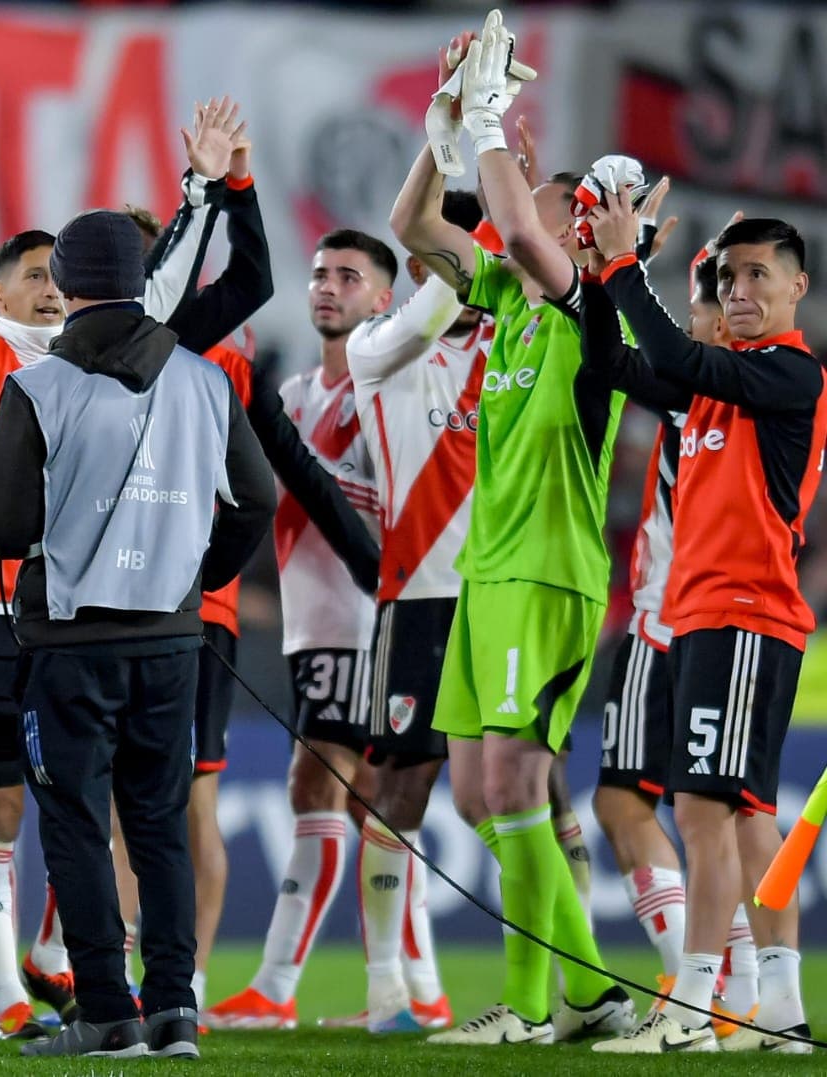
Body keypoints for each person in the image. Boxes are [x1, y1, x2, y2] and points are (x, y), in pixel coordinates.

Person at [0, 90, 231, 1037]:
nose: (49, 290)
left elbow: (156, 282)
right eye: (31, 275)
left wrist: (201, 191)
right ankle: (12, 993)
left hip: (72, 622)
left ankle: (71, 974)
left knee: (94, 814)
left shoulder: (112, 363)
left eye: (59, 276)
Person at [0, 208, 276, 1058]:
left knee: (78, 826)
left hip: (71, 643)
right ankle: (175, 1008)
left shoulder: (38, 384)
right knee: (158, 825)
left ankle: (108, 1012)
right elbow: (257, 497)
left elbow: (6, 529)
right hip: (172, 639)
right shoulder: (204, 379)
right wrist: (199, 576)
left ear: (67, 282)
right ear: (141, 279)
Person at [391, 16, 634, 1046]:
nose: (527, 220)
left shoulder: (591, 314)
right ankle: (581, 994)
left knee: (509, 786)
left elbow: (523, 233)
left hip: (547, 575)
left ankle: (545, 1004)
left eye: (548, 211)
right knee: (474, 795)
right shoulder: (509, 303)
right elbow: (412, 225)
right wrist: (444, 124)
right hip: (484, 577)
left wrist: (490, 121)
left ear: (574, 236)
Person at [583, 206, 822, 1054]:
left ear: (797, 286)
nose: (739, 291)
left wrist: (625, 264)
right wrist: (595, 280)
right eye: (728, 278)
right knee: (746, 814)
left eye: (758, 275)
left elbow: (678, 357)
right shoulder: (717, 388)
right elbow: (614, 362)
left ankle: (691, 1007)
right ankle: (781, 1009)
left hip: (746, 613)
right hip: (709, 616)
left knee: (703, 809)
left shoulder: (791, 373)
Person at [206, 228, 392, 1031]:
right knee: (365, 798)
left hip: (362, 616)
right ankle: (403, 988)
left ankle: (284, 986)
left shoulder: (388, 389)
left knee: (327, 786)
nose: (328, 286)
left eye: (350, 276)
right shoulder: (294, 394)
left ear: (385, 298)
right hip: (313, 620)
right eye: (320, 274)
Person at [341, 191, 492, 1034]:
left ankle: (564, 995)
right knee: (399, 788)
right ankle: (387, 991)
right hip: (421, 600)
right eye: (445, 249)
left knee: (536, 787)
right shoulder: (378, 344)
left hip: (506, 600)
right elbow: (438, 306)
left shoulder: (515, 348)